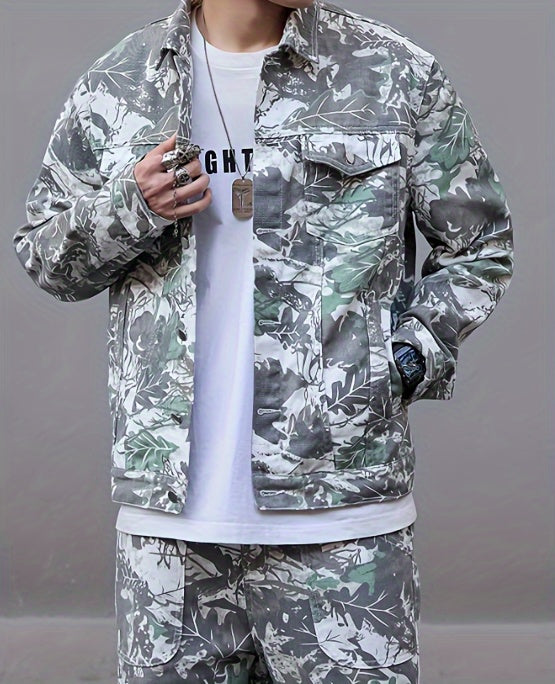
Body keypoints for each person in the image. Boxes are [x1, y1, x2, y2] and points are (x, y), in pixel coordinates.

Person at [12, 0, 514, 681]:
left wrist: (397, 361)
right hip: (169, 542)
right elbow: (46, 260)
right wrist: (130, 207)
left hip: (339, 518)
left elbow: (480, 246)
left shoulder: (394, 72)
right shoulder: (121, 81)